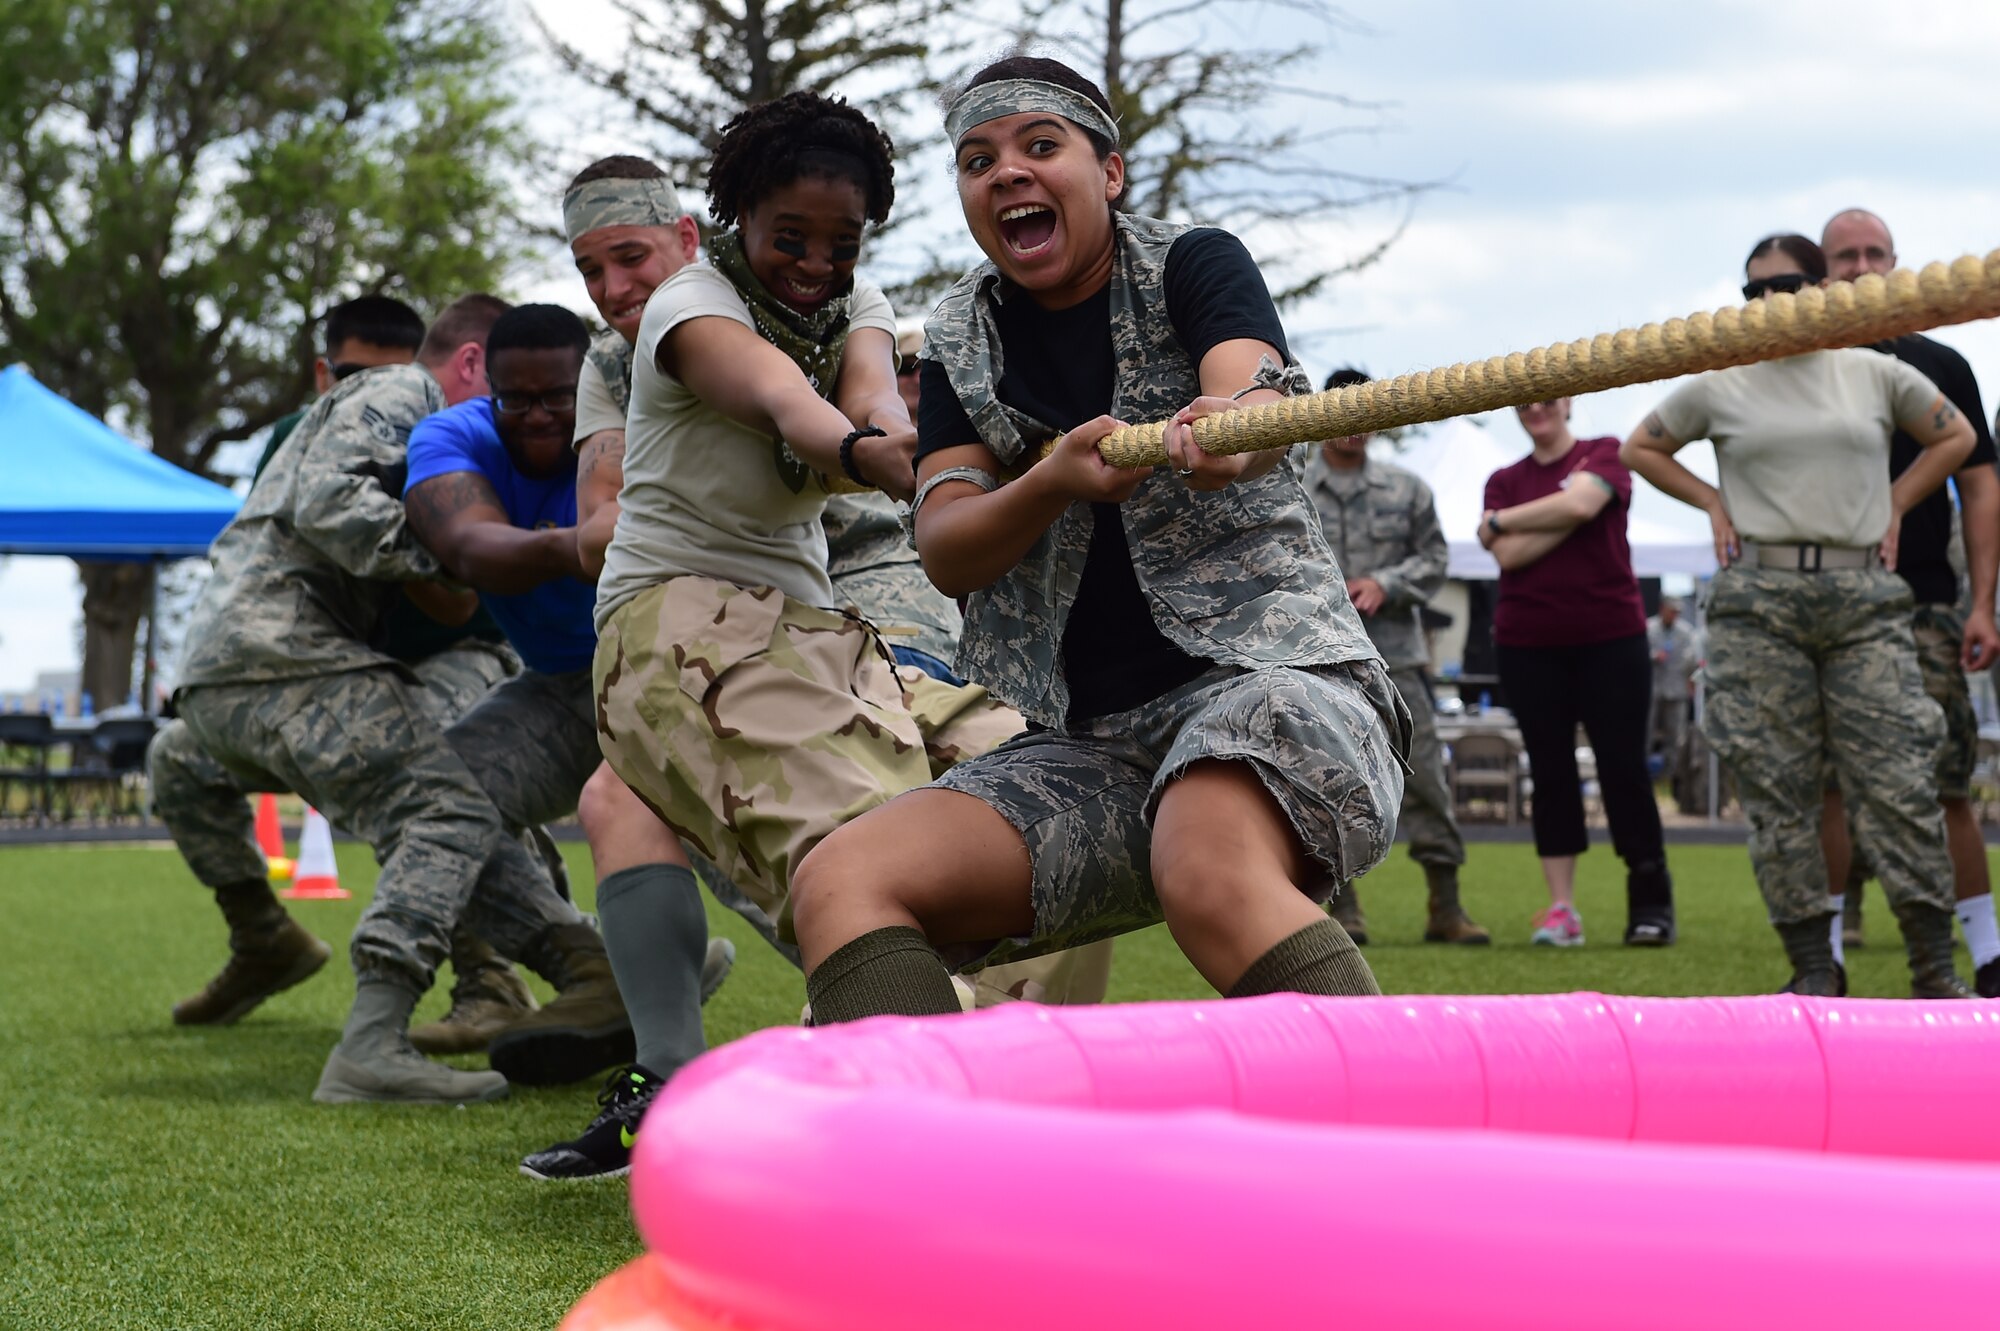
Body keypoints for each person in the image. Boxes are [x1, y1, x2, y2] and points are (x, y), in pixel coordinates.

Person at [783, 56, 1407, 1021]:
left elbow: (1253, 388)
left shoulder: (1193, 261)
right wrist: (1051, 481)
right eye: (978, 160)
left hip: (1280, 687)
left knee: (1206, 864)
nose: (1008, 174)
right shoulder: (959, 335)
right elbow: (947, 546)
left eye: (1042, 147)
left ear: (1108, 173)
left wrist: (1227, 432)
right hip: (1095, 749)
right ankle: (927, 1167)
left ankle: (1400, 1145)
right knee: (841, 882)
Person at [581, 96, 1018, 1161]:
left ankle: (958, 1061)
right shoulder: (691, 308)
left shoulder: (854, 297)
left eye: (842, 240)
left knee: (1010, 775)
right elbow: (790, 405)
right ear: (732, 217)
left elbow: (868, 391)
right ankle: (884, 1094)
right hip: (670, 613)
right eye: (791, 238)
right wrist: (883, 459)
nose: (816, 262)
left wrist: (956, 456)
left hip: (805, 619)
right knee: (859, 835)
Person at [150, 295, 607, 1105]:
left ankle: (593, 971)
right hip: (280, 658)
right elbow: (327, 501)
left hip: (234, 672)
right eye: (506, 393)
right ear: (472, 367)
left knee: (434, 802)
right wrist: (464, 553)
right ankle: (382, 1040)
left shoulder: (378, 415)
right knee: (449, 805)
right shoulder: (404, 392)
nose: (518, 422)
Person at [1621, 232, 1977, 998]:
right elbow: (1641, 448)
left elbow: (1957, 436)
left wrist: (1898, 502)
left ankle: (1935, 966)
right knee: (1779, 789)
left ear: (1823, 290)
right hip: (1761, 598)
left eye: (1789, 286)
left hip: (1862, 597)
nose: (1773, 303)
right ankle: (1815, 964)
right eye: (1756, 292)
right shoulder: (1721, 381)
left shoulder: (1875, 372)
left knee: (1899, 780)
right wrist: (1712, 499)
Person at [1817, 208, 2000, 997]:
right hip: (1820, 596)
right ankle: (1823, 959)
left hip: (1922, 599)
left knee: (1947, 779)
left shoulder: (1941, 363)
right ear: (1821, 274)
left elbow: (1981, 483)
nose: (1859, 268)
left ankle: (1989, 953)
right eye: (1843, 257)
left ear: (1896, 263)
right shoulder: (1796, 364)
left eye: (1873, 254)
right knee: (1824, 782)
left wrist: (1982, 602)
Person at [1477, 396, 1675, 948]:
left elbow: (1581, 510)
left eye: (1546, 399)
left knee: (1624, 769)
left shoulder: (1605, 452)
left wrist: (1499, 523)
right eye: (1523, 402)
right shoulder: (1503, 477)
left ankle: (1651, 905)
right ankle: (1562, 909)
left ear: (1567, 402)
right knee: (1551, 772)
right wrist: (1563, 504)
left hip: (1612, 639)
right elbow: (1511, 556)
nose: (1535, 409)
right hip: (1528, 645)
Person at [1304, 367, 1488, 946]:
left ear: (1377, 417)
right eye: (1340, 409)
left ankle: (1446, 905)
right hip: (1317, 658)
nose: (1351, 426)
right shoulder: (1290, 483)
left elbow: (1435, 561)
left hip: (1397, 659)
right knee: (1322, 777)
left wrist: (1387, 582)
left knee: (1427, 776)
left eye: (1363, 411)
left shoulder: (1409, 490)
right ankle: (1342, 909)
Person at [1645, 597, 1697, 768]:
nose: (1675, 615)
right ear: (1662, 609)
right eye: (1671, 611)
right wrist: (1654, 656)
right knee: (1647, 732)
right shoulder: (1648, 628)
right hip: (1652, 689)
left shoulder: (1686, 632)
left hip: (1676, 689)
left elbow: (1692, 659)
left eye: (1677, 612)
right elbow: (1636, 656)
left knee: (1675, 734)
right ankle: (1645, 770)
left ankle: (1672, 773)